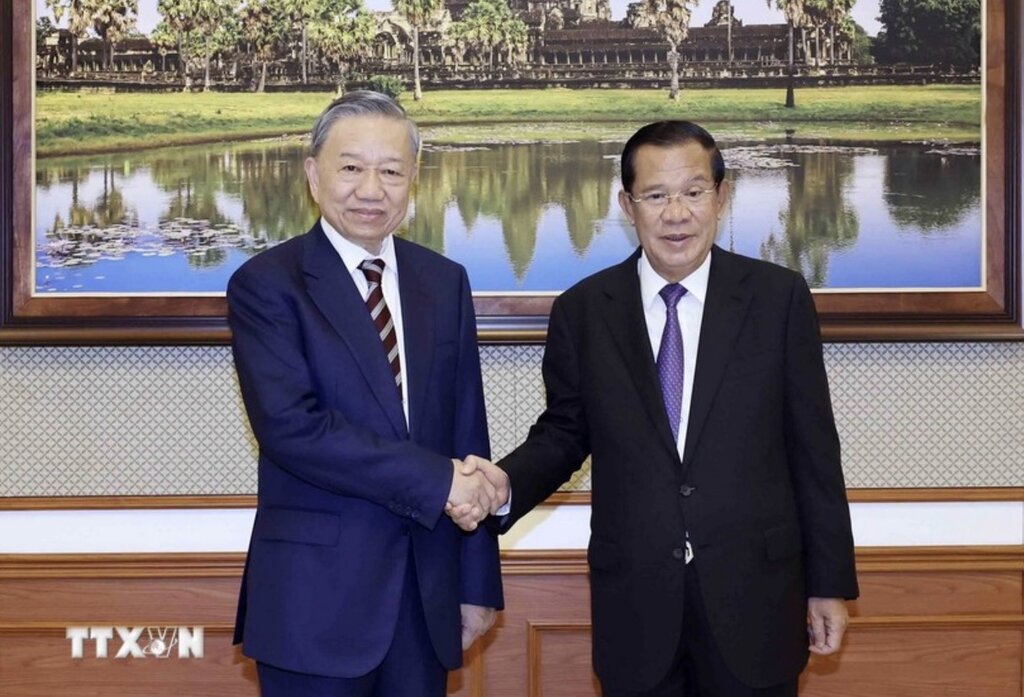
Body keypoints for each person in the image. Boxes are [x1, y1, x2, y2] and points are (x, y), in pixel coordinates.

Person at [451, 120, 859, 696]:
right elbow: (564, 435)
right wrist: (502, 485)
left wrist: (828, 584)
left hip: (756, 599)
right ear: (627, 203)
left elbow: (815, 449)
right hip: (637, 605)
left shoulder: (778, 299)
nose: (677, 213)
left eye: (693, 193)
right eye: (656, 195)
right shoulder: (584, 311)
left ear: (721, 197)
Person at [227, 90, 504, 697]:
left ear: (414, 181)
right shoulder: (267, 285)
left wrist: (477, 582)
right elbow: (293, 429)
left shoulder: (444, 281)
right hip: (314, 604)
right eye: (351, 167)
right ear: (313, 176)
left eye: (391, 171)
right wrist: (439, 482)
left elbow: (467, 431)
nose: (371, 189)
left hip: (426, 598)